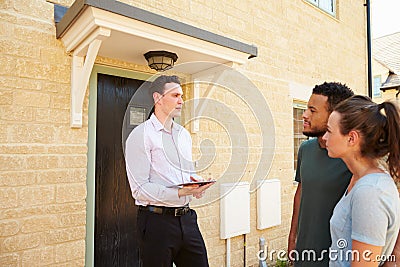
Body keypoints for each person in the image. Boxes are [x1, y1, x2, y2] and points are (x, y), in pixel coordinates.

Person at [125, 75, 213, 267]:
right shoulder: (140, 135)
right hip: (156, 223)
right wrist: (180, 192)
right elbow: (140, 189)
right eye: (175, 95)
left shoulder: (184, 135)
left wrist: (197, 183)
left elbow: (186, 173)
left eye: (181, 95)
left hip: (187, 220)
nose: (181, 100)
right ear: (157, 98)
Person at [323, 95, 400, 266]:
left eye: (329, 131)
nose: (324, 138)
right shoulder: (359, 179)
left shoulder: (371, 191)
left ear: (351, 138)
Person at [288, 82, 354, 266]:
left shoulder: (352, 157)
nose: (305, 115)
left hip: (336, 256)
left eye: (312, 110)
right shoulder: (305, 149)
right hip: (304, 252)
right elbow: (301, 193)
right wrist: (293, 239)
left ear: (334, 116)